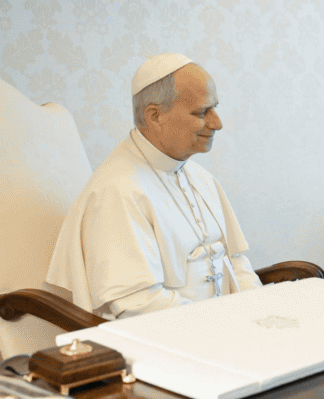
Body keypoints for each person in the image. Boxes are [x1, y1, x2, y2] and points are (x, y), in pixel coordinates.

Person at [47, 53, 263, 319]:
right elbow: (137, 303)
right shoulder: (117, 191)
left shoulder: (201, 178)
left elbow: (236, 263)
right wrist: (218, 326)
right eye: (202, 112)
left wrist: (258, 313)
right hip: (166, 339)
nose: (217, 123)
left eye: (215, 108)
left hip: (220, 329)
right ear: (155, 115)